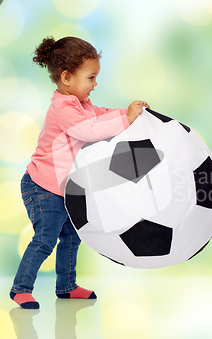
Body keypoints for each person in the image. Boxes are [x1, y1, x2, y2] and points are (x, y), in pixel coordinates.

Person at [10, 36, 149, 309]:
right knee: (45, 239)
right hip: (42, 187)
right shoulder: (63, 109)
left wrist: (127, 113)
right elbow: (90, 130)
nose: (95, 84)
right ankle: (21, 288)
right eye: (91, 78)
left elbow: (101, 116)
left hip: (63, 188)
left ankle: (66, 285)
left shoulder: (81, 104)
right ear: (67, 77)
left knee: (73, 236)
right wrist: (126, 120)